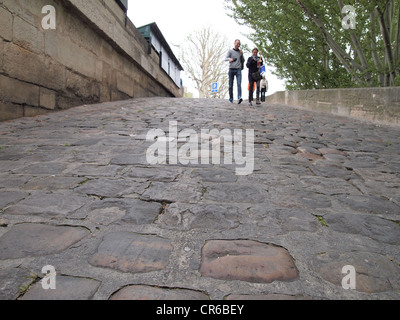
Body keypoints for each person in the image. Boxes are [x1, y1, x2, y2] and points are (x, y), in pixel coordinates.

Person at [225, 39, 245, 104]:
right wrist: (230, 59)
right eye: (237, 43)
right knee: (230, 85)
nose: (238, 45)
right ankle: (231, 98)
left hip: (238, 69)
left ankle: (239, 97)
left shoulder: (240, 52)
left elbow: (243, 60)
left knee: (239, 83)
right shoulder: (230, 51)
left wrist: (242, 54)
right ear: (234, 43)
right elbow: (225, 58)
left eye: (239, 44)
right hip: (231, 69)